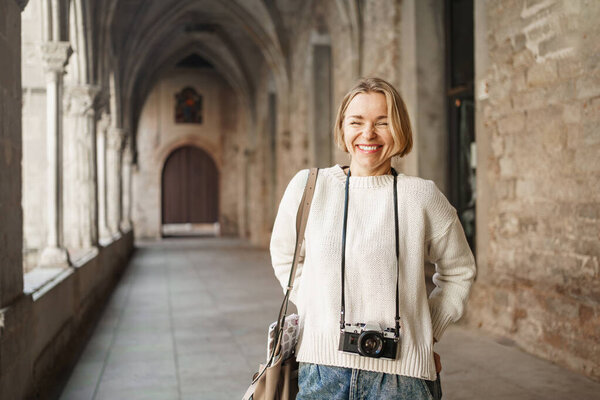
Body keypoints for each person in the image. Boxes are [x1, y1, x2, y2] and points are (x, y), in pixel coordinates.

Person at [270, 77, 476, 399]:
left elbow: (459, 271)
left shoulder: (422, 196)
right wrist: (320, 308)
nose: (368, 134)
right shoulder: (309, 188)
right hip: (322, 372)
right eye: (357, 122)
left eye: (383, 122)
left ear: (400, 129)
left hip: (402, 380)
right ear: (342, 127)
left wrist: (426, 331)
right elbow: (286, 257)